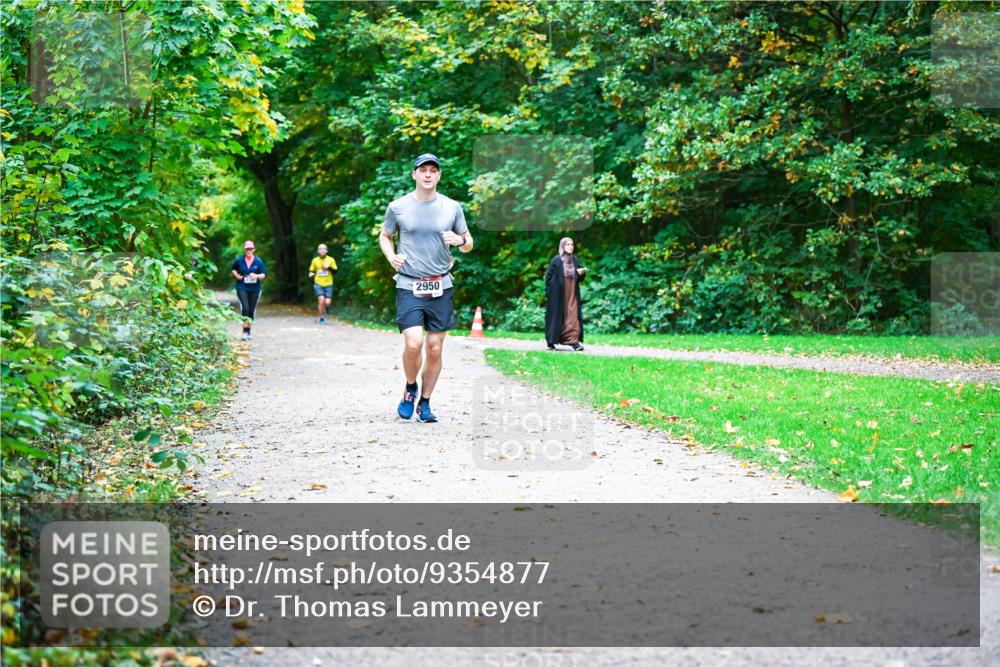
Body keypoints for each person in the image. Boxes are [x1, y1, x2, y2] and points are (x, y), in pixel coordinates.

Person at [379, 153, 474, 423]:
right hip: (409, 284)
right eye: (423, 170)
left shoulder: (452, 207)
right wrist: (391, 256)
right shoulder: (397, 207)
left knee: (434, 348)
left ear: (439, 175)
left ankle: (425, 402)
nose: (428, 174)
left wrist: (459, 241)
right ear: (415, 174)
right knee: (414, 343)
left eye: (433, 170)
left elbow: (468, 243)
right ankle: (410, 387)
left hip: (440, 285)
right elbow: (385, 236)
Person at [544, 237, 587, 351]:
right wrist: (549, 293)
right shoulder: (557, 260)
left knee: (573, 316)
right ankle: (551, 341)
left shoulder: (575, 260)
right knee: (557, 317)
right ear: (563, 246)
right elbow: (548, 277)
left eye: (572, 244)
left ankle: (574, 342)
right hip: (558, 296)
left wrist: (581, 273)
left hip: (572, 295)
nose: (570, 247)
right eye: (568, 244)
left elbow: (579, 278)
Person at [230, 240, 266, 340]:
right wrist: (237, 276)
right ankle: (244, 331)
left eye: (250, 249)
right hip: (242, 286)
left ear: (254, 250)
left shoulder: (258, 261)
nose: (249, 251)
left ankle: (249, 330)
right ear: (245, 250)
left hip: (255, 288)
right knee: (245, 307)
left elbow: (263, 275)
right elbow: (233, 269)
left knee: (251, 309)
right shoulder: (239, 260)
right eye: (247, 249)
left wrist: (256, 276)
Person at [308, 243, 338, 324]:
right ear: (318, 251)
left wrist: (328, 267)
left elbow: (335, 271)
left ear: (327, 251)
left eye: (324, 249)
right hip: (318, 284)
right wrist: (311, 274)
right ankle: (321, 318)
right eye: (320, 249)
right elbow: (312, 270)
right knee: (321, 300)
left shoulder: (331, 260)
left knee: (327, 302)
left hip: (328, 284)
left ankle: (327, 306)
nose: (322, 250)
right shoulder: (315, 260)